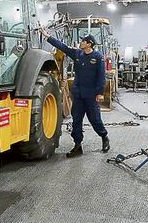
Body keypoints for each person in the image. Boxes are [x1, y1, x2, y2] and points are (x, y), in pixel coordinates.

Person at [39, 26, 110, 157]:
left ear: (89, 44)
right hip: (78, 95)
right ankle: (77, 145)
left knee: (95, 120)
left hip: (91, 95)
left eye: (83, 41)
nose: (80, 43)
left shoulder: (98, 57)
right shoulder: (78, 54)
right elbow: (62, 47)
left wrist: (100, 93)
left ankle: (104, 136)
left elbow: (101, 76)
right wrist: (47, 36)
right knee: (76, 120)